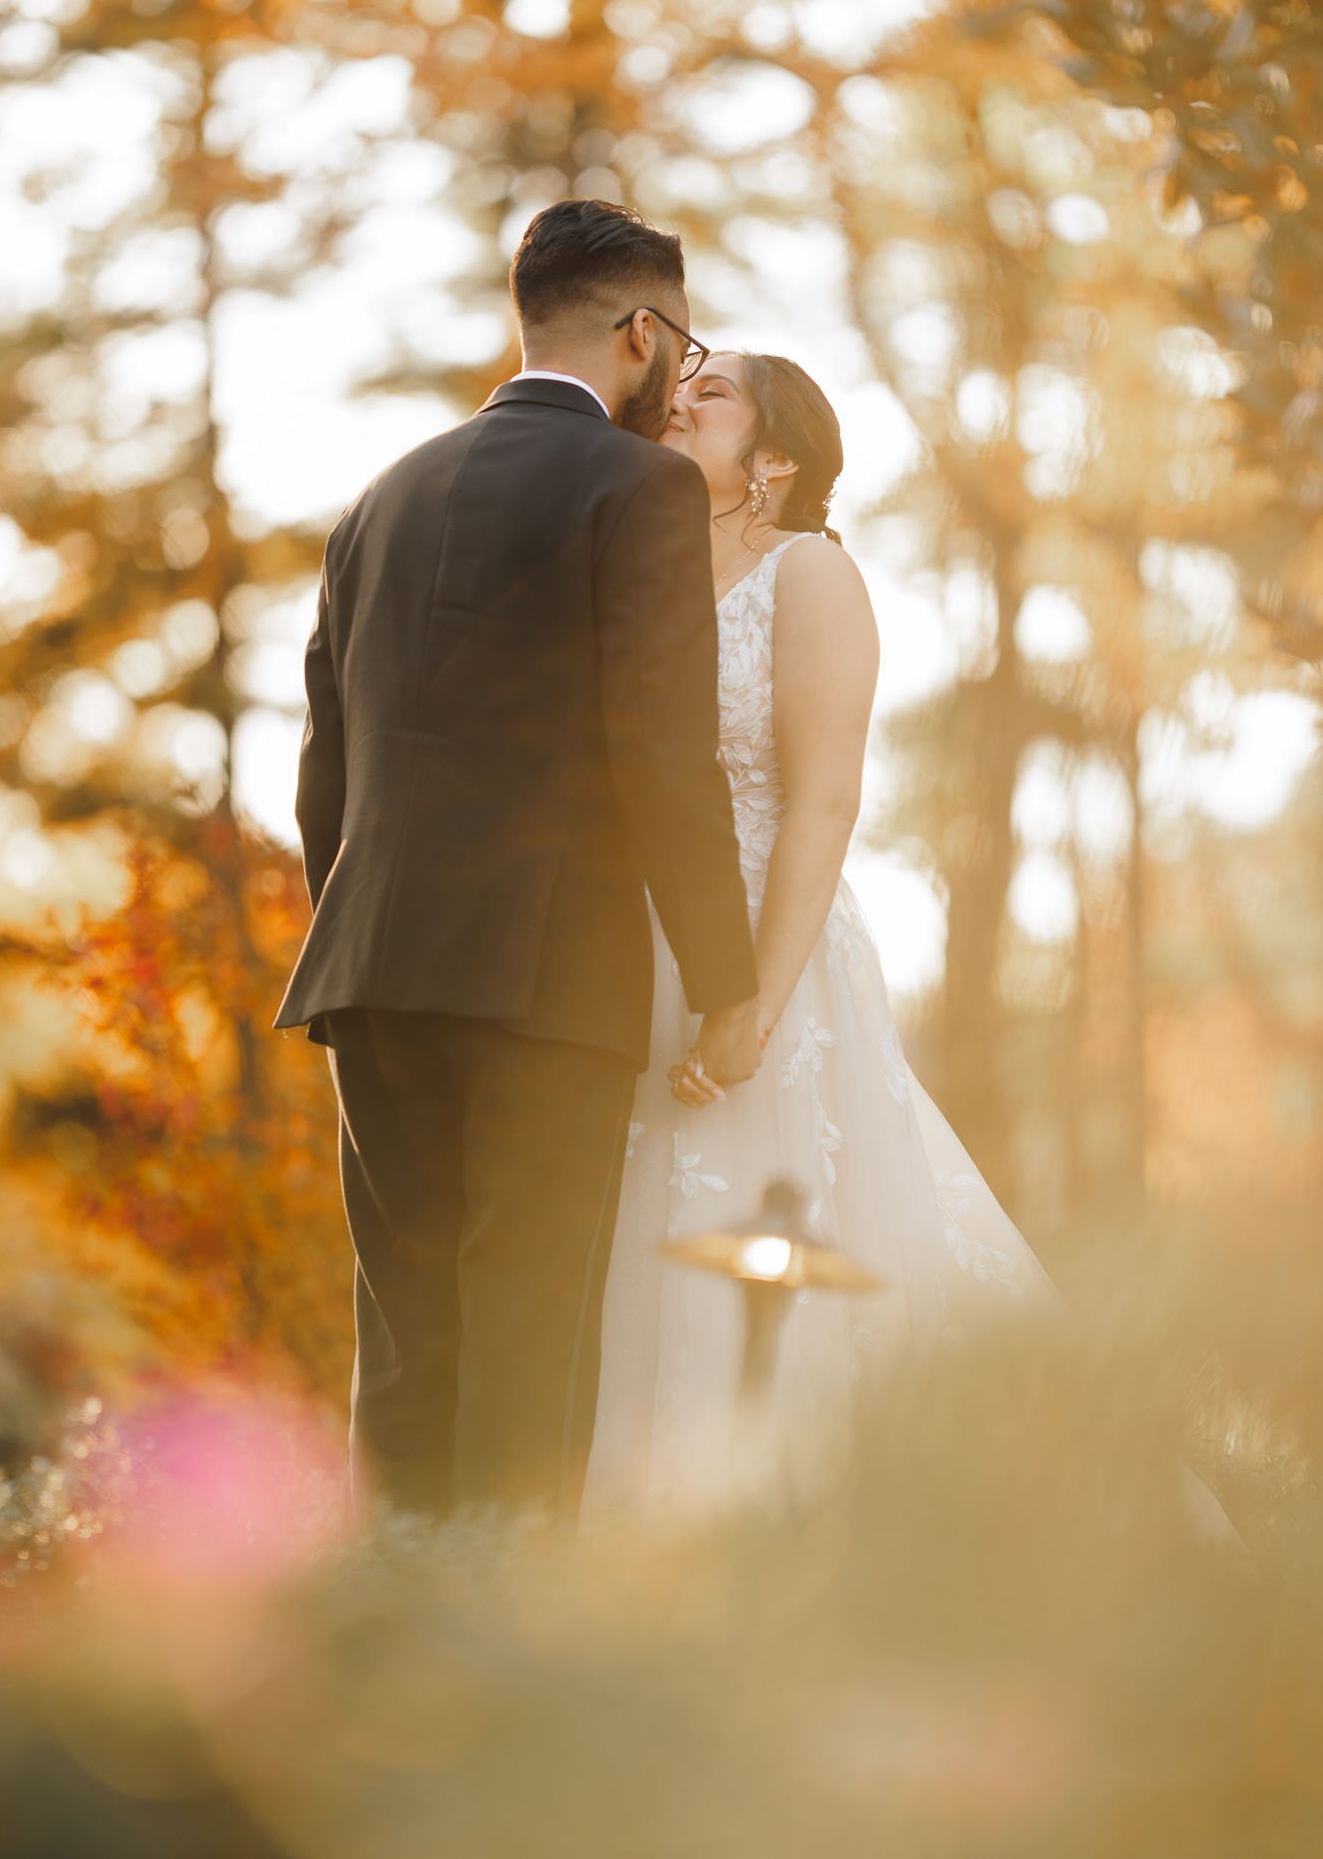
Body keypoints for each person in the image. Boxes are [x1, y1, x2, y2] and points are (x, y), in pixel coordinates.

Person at [275, 201, 764, 1523]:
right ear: (642, 332)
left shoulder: (382, 497)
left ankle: (395, 1637)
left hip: (371, 965)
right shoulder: (642, 487)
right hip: (546, 974)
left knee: (408, 1329)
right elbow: (662, 753)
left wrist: (360, 920)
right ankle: (499, 1665)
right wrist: (728, 970)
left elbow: (326, 764)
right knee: (528, 1328)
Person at [584, 351, 1059, 1517]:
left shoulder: (811, 575)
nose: (682, 396)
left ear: (776, 458)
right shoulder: (638, 567)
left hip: (764, 940)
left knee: (758, 1245)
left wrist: (751, 1001)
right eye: (686, 386)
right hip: (628, 948)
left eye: (718, 393)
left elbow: (825, 801)